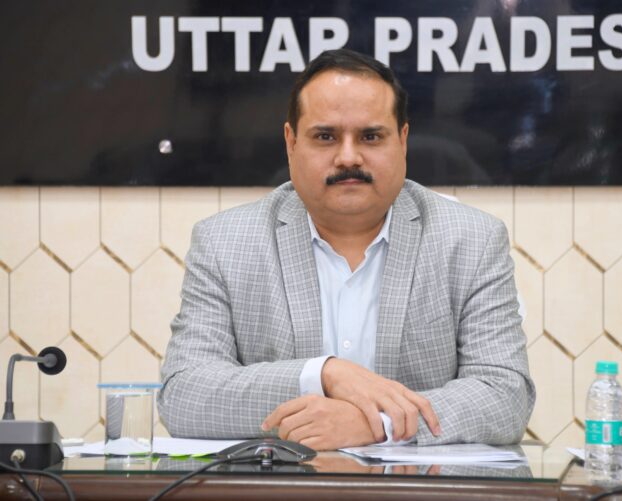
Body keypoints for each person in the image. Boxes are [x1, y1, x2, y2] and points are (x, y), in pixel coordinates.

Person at [158, 49, 535, 451]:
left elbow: (505, 395)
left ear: (402, 141)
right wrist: (322, 374)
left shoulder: (472, 240)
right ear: (291, 142)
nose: (349, 157)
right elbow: (183, 396)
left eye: (371, 137)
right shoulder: (225, 243)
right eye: (326, 137)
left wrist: (377, 424)